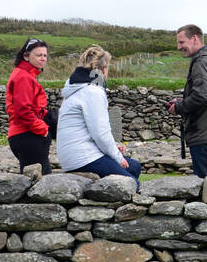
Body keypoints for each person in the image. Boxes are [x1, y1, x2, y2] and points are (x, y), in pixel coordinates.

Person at [56, 44, 142, 187]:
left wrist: (113, 147)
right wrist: (117, 156)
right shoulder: (93, 91)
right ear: (103, 69)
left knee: (134, 167)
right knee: (132, 185)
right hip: (84, 157)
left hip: (71, 156)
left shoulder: (76, 89)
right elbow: (100, 132)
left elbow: (87, 131)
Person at [167, 24, 207, 179]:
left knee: (206, 186)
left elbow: (202, 96)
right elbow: (206, 94)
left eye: (181, 42)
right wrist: (182, 101)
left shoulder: (202, 62)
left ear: (194, 39)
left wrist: (179, 106)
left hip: (205, 133)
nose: (178, 47)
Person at [6, 37, 52, 174]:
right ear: (26, 56)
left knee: (38, 179)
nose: (43, 58)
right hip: (27, 136)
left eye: (45, 55)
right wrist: (42, 129)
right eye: (39, 55)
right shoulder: (23, 77)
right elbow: (23, 111)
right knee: (38, 184)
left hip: (25, 135)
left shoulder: (26, 74)